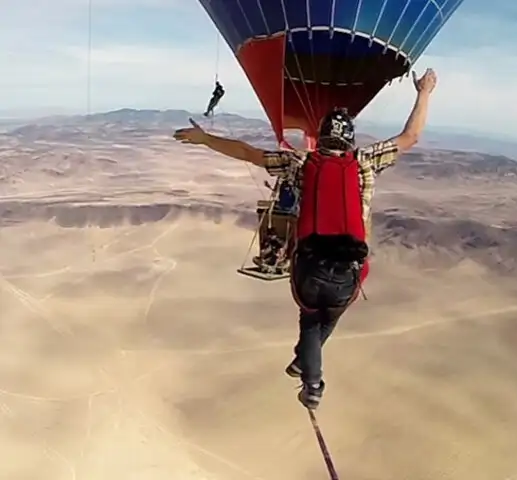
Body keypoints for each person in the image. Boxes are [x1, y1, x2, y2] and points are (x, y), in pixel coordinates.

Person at [173, 68, 438, 409]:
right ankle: (306, 366)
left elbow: (247, 152)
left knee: (312, 315)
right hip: (349, 269)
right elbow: (410, 136)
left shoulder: (298, 162)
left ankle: (312, 381)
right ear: (350, 140)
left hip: (310, 265)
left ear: (323, 136)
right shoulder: (364, 162)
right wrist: (425, 92)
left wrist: (206, 139)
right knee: (329, 313)